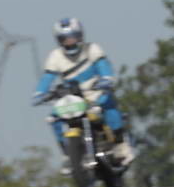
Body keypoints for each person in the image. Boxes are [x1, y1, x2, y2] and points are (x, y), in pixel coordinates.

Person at [32, 18, 134, 167]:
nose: (69, 41)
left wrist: (106, 79)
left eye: (72, 37)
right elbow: (47, 78)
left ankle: (121, 146)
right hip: (73, 98)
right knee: (54, 118)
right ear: (59, 40)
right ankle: (67, 155)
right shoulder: (55, 56)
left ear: (80, 35)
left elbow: (104, 66)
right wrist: (40, 93)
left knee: (109, 106)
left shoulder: (92, 48)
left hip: (95, 92)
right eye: (64, 38)